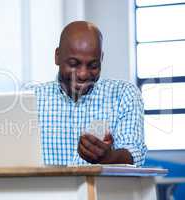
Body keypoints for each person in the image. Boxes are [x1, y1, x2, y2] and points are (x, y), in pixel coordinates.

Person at [32, 21, 147, 166]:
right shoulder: (32, 98)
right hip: (44, 188)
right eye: (73, 64)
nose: (83, 74)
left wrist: (108, 158)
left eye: (93, 66)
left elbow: (134, 153)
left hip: (101, 189)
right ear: (57, 56)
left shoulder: (124, 95)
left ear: (101, 59)